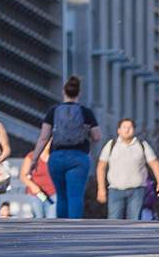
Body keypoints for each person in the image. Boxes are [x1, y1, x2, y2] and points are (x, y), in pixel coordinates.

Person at [28, 76, 101, 219]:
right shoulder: (86, 112)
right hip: (79, 157)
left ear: (64, 92)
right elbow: (97, 136)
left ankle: (61, 227)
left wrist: (34, 159)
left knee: (61, 196)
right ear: (79, 92)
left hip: (57, 157)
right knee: (75, 195)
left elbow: (43, 138)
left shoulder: (53, 111)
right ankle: (74, 229)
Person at [97, 118, 159, 220]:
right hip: (115, 190)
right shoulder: (111, 144)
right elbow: (101, 167)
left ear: (134, 130)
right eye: (124, 127)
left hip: (137, 190)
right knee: (113, 220)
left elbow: (154, 163)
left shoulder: (142, 144)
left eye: (130, 127)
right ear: (118, 130)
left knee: (134, 220)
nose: (127, 130)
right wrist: (101, 189)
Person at [19, 146, 57, 218]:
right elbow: (23, 176)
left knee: (52, 219)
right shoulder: (32, 156)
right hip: (37, 194)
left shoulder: (56, 157)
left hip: (53, 193)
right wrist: (32, 185)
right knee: (38, 218)